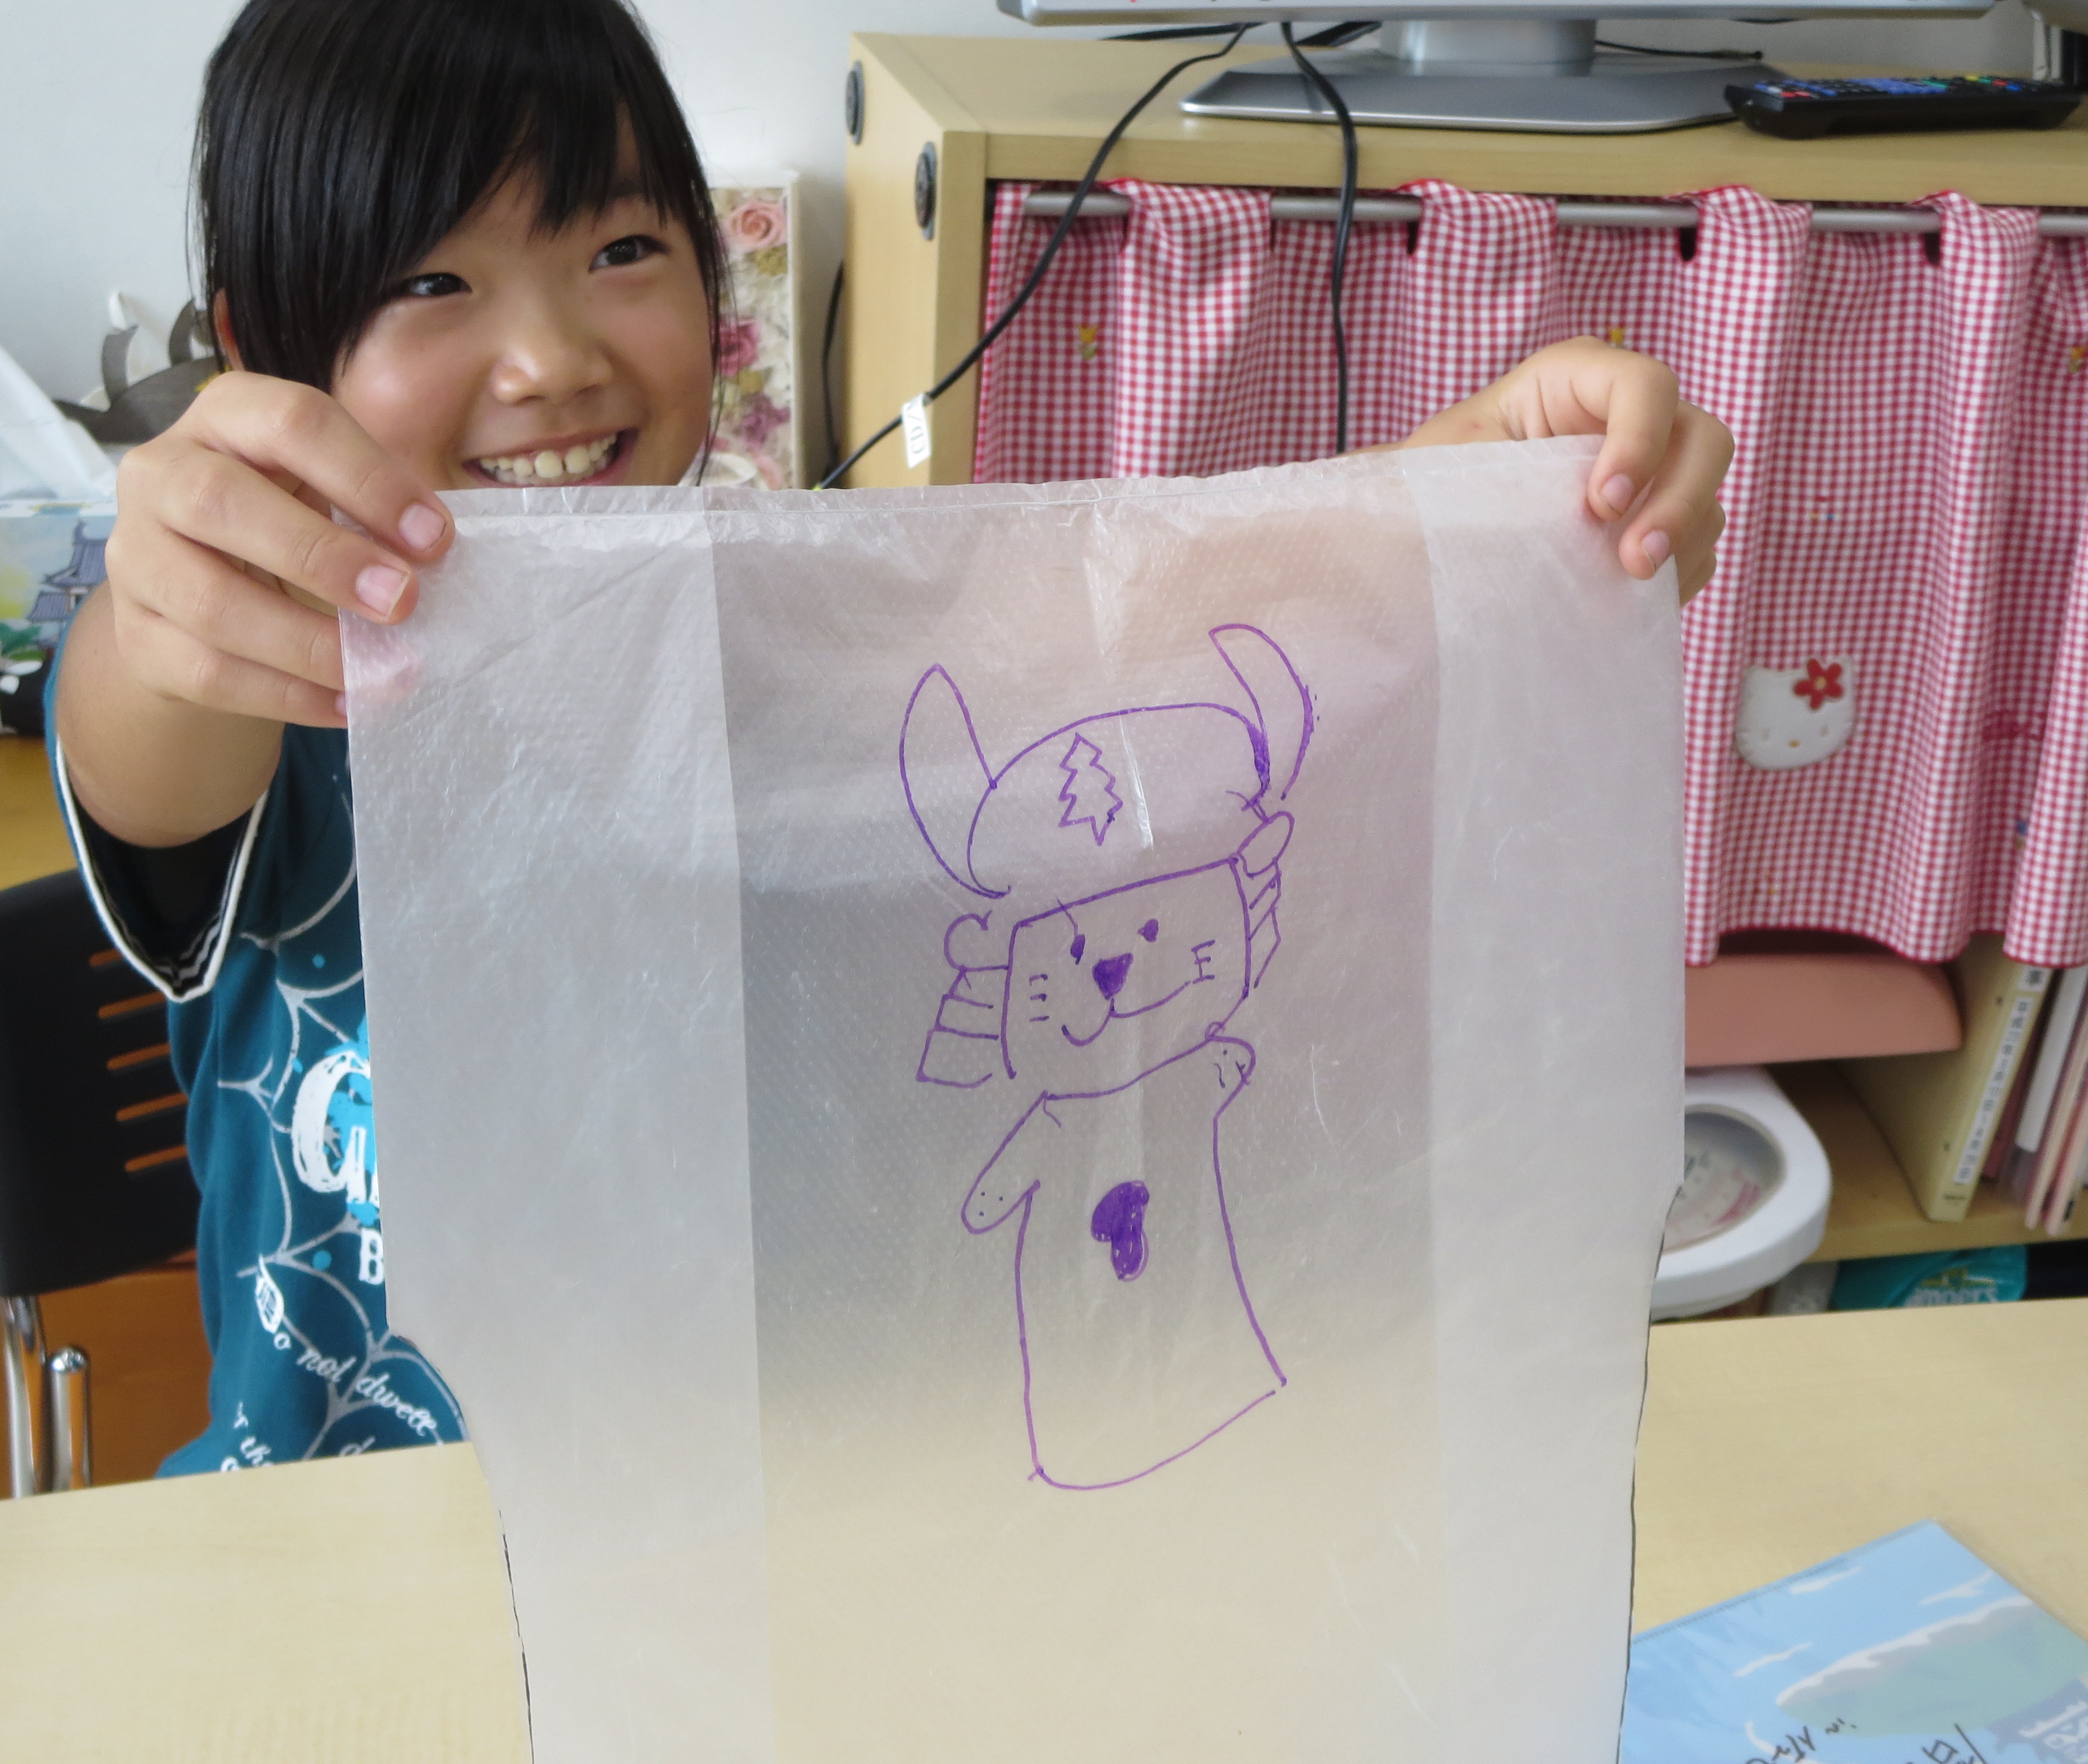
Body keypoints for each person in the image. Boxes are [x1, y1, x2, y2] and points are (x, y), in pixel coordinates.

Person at [49, 0, 1733, 1478]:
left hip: (795, 1534)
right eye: (432, 283)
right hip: (348, 1545)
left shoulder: (799, 626)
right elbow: (144, 732)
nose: (552, 359)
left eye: (620, 251)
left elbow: (1184, 619)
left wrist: (1485, 495)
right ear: (263, 348)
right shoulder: (278, 686)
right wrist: (165, 606)